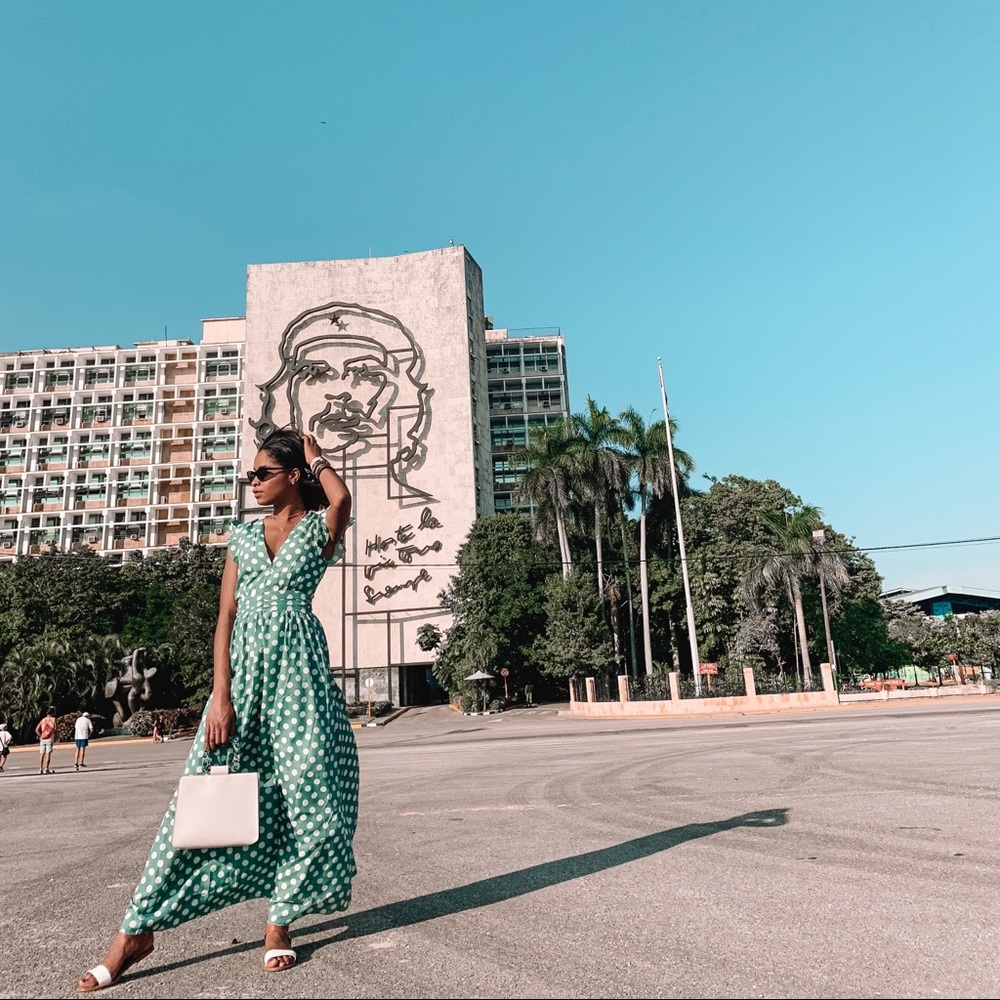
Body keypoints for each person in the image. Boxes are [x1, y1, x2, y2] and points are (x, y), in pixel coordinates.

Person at [76, 429, 358, 992]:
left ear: (293, 476)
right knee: (194, 808)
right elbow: (225, 619)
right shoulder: (243, 538)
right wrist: (220, 696)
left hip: (301, 685)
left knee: (315, 807)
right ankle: (136, 930)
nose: (252, 482)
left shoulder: (316, 531)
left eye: (262, 473)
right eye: (250, 475)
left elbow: (342, 497)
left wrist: (315, 456)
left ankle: (279, 923)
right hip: (243, 684)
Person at [35, 706, 57, 775]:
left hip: (43, 739)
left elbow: (36, 730)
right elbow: (55, 729)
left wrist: (40, 736)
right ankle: (46, 768)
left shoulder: (43, 720)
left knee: (42, 754)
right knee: (48, 754)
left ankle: (40, 769)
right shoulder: (54, 719)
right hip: (49, 738)